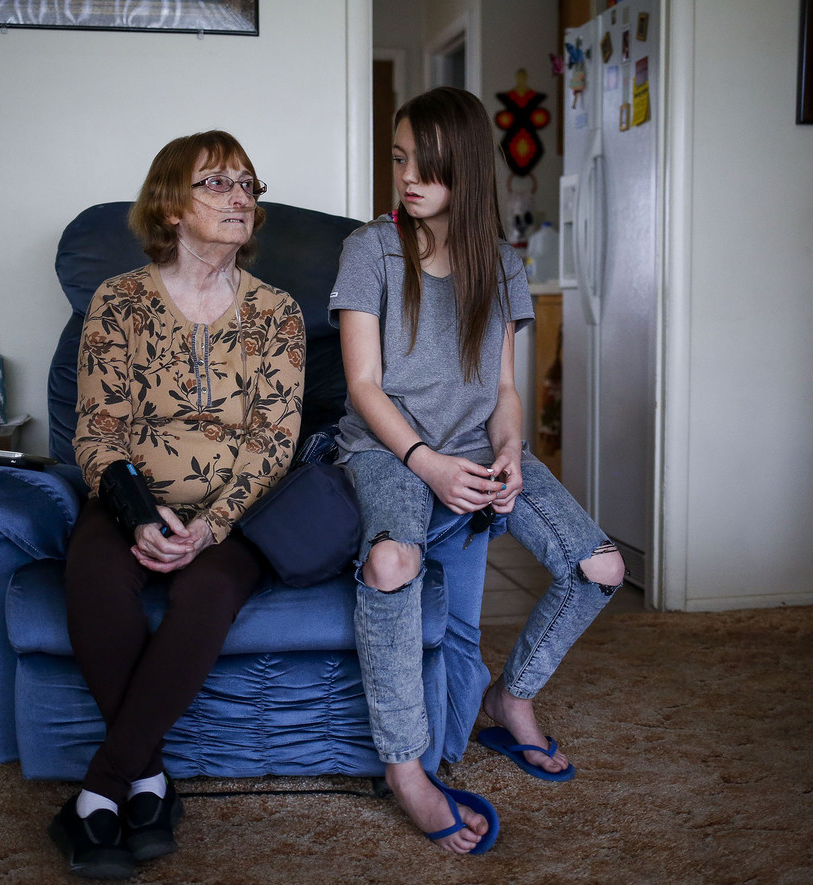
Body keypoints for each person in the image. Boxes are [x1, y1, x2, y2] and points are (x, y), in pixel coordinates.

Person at [331, 86, 625, 856]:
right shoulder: (371, 250)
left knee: (601, 566)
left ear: (465, 168)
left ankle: (510, 696)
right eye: (399, 158)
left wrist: (508, 451)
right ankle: (406, 771)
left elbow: (502, 388)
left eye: (427, 162)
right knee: (393, 561)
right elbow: (363, 385)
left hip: (475, 447)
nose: (409, 175)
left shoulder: (501, 262)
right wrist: (427, 465)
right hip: (389, 448)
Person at [50, 131, 305, 879]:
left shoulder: (278, 313)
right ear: (169, 206)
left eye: (248, 185)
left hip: (233, 514)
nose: (240, 199)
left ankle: (100, 790)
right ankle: (153, 784)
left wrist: (209, 527)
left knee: (210, 592)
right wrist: (138, 517)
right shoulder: (119, 301)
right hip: (131, 500)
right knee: (93, 573)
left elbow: (273, 441)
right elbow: (95, 431)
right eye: (218, 184)